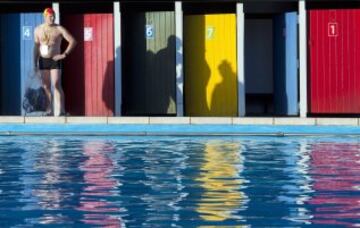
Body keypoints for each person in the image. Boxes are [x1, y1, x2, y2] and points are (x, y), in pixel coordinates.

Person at [33, 7, 76, 116]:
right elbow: (36, 47)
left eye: (54, 16)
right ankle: (49, 110)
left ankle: (61, 111)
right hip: (43, 60)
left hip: (54, 60)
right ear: (45, 17)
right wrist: (34, 62)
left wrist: (64, 55)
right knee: (46, 86)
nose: (52, 18)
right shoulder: (38, 30)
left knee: (56, 84)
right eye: (50, 16)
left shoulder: (59, 29)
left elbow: (73, 41)